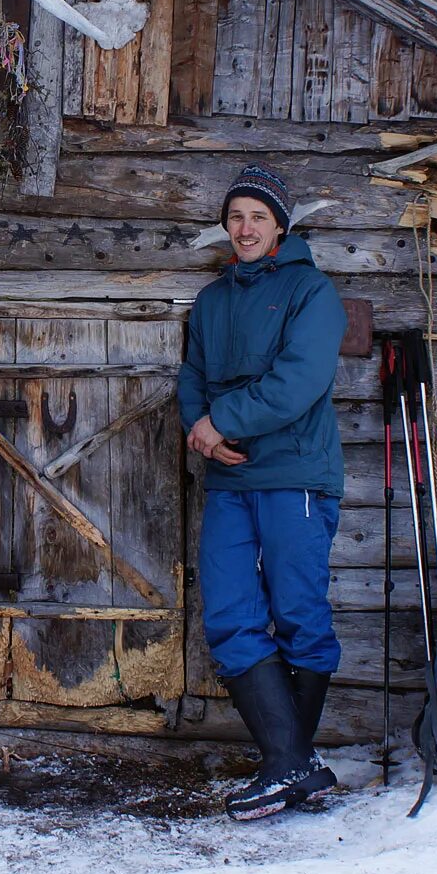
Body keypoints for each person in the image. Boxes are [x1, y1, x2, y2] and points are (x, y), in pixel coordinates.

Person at [177, 162, 347, 820]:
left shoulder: (312, 293)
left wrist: (224, 419)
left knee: (299, 613)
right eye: (236, 216)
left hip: (295, 475)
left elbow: (297, 381)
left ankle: (287, 763)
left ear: (280, 225)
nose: (245, 228)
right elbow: (193, 374)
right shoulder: (213, 300)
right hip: (229, 476)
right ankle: (294, 765)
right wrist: (201, 428)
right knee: (228, 614)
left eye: (258, 216)